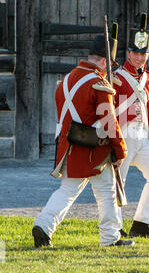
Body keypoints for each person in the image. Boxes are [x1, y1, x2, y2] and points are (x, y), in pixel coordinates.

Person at [32, 33, 134, 248]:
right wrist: (121, 150)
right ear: (104, 61)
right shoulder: (99, 83)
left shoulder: (66, 80)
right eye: (110, 65)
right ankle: (110, 238)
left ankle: (43, 224)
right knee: (107, 192)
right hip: (93, 151)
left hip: (69, 147)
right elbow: (109, 121)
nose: (110, 70)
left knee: (67, 191)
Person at [112, 13, 149, 239]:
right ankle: (113, 227)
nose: (140, 58)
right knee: (117, 182)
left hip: (142, 135)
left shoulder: (148, 79)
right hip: (123, 134)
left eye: (144, 54)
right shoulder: (116, 76)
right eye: (136, 53)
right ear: (128, 53)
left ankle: (141, 224)